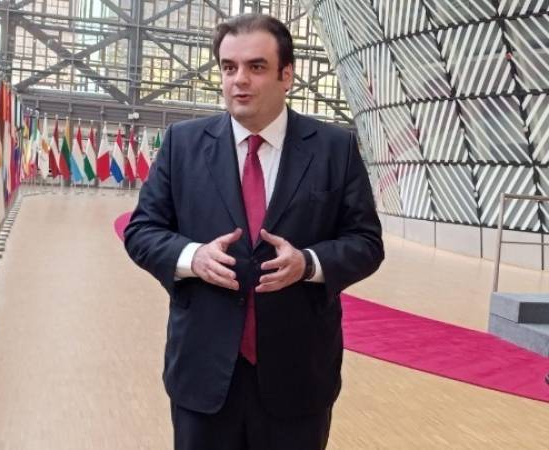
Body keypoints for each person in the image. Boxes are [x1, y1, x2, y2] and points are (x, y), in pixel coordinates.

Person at [123, 13, 384, 450]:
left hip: (298, 376)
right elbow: (142, 231)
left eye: (256, 67)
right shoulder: (183, 144)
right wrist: (192, 257)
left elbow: (366, 243)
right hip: (203, 374)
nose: (239, 80)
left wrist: (309, 264)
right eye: (229, 67)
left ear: (287, 75)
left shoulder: (334, 149)